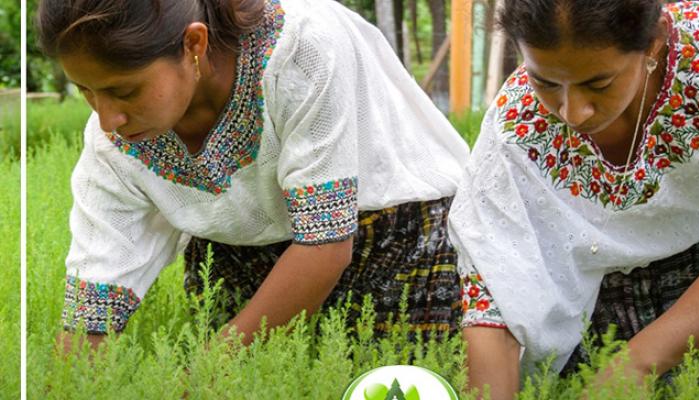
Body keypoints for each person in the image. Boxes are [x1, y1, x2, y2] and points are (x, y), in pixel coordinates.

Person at [38, 0, 469, 350]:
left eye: (124, 90)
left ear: (194, 43)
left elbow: (326, 243)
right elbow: (95, 296)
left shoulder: (300, 49)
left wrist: (207, 369)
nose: (108, 117)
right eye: (85, 90)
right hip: (245, 262)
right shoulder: (111, 141)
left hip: (392, 241)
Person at [447, 0, 699, 397]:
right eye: (545, 82)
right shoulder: (516, 125)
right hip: (595, 288)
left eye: (598, 84)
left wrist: (624, 372)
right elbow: (494, 287)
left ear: (654, 42)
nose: (572, 112)